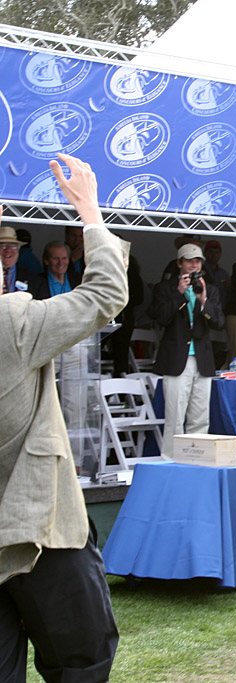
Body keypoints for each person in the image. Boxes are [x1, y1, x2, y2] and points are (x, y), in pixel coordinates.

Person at [0, 153, 122, 682]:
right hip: (39, 528)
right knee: (82, 661)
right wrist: (89, 213)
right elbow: (105, 295)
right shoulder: (12, 321)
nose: (8, 259)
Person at [150, 243, 225, 455]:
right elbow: (161, 319)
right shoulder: (165, 288)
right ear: (179, 263)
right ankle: (170, 460)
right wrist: (179, 294)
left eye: (198, 261)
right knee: (174, 416)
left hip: (202, 359)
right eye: (189, 261)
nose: (194, 265)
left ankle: (196, 459)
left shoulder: (211, 290)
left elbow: (218, 322)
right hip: (176, 359)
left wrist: (203, 302)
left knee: (200, 417)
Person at [1, 226, 30, 295]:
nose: (8, 250)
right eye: (3, 245)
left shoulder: (34, 280)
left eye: (13, 246)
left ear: (18, 249)